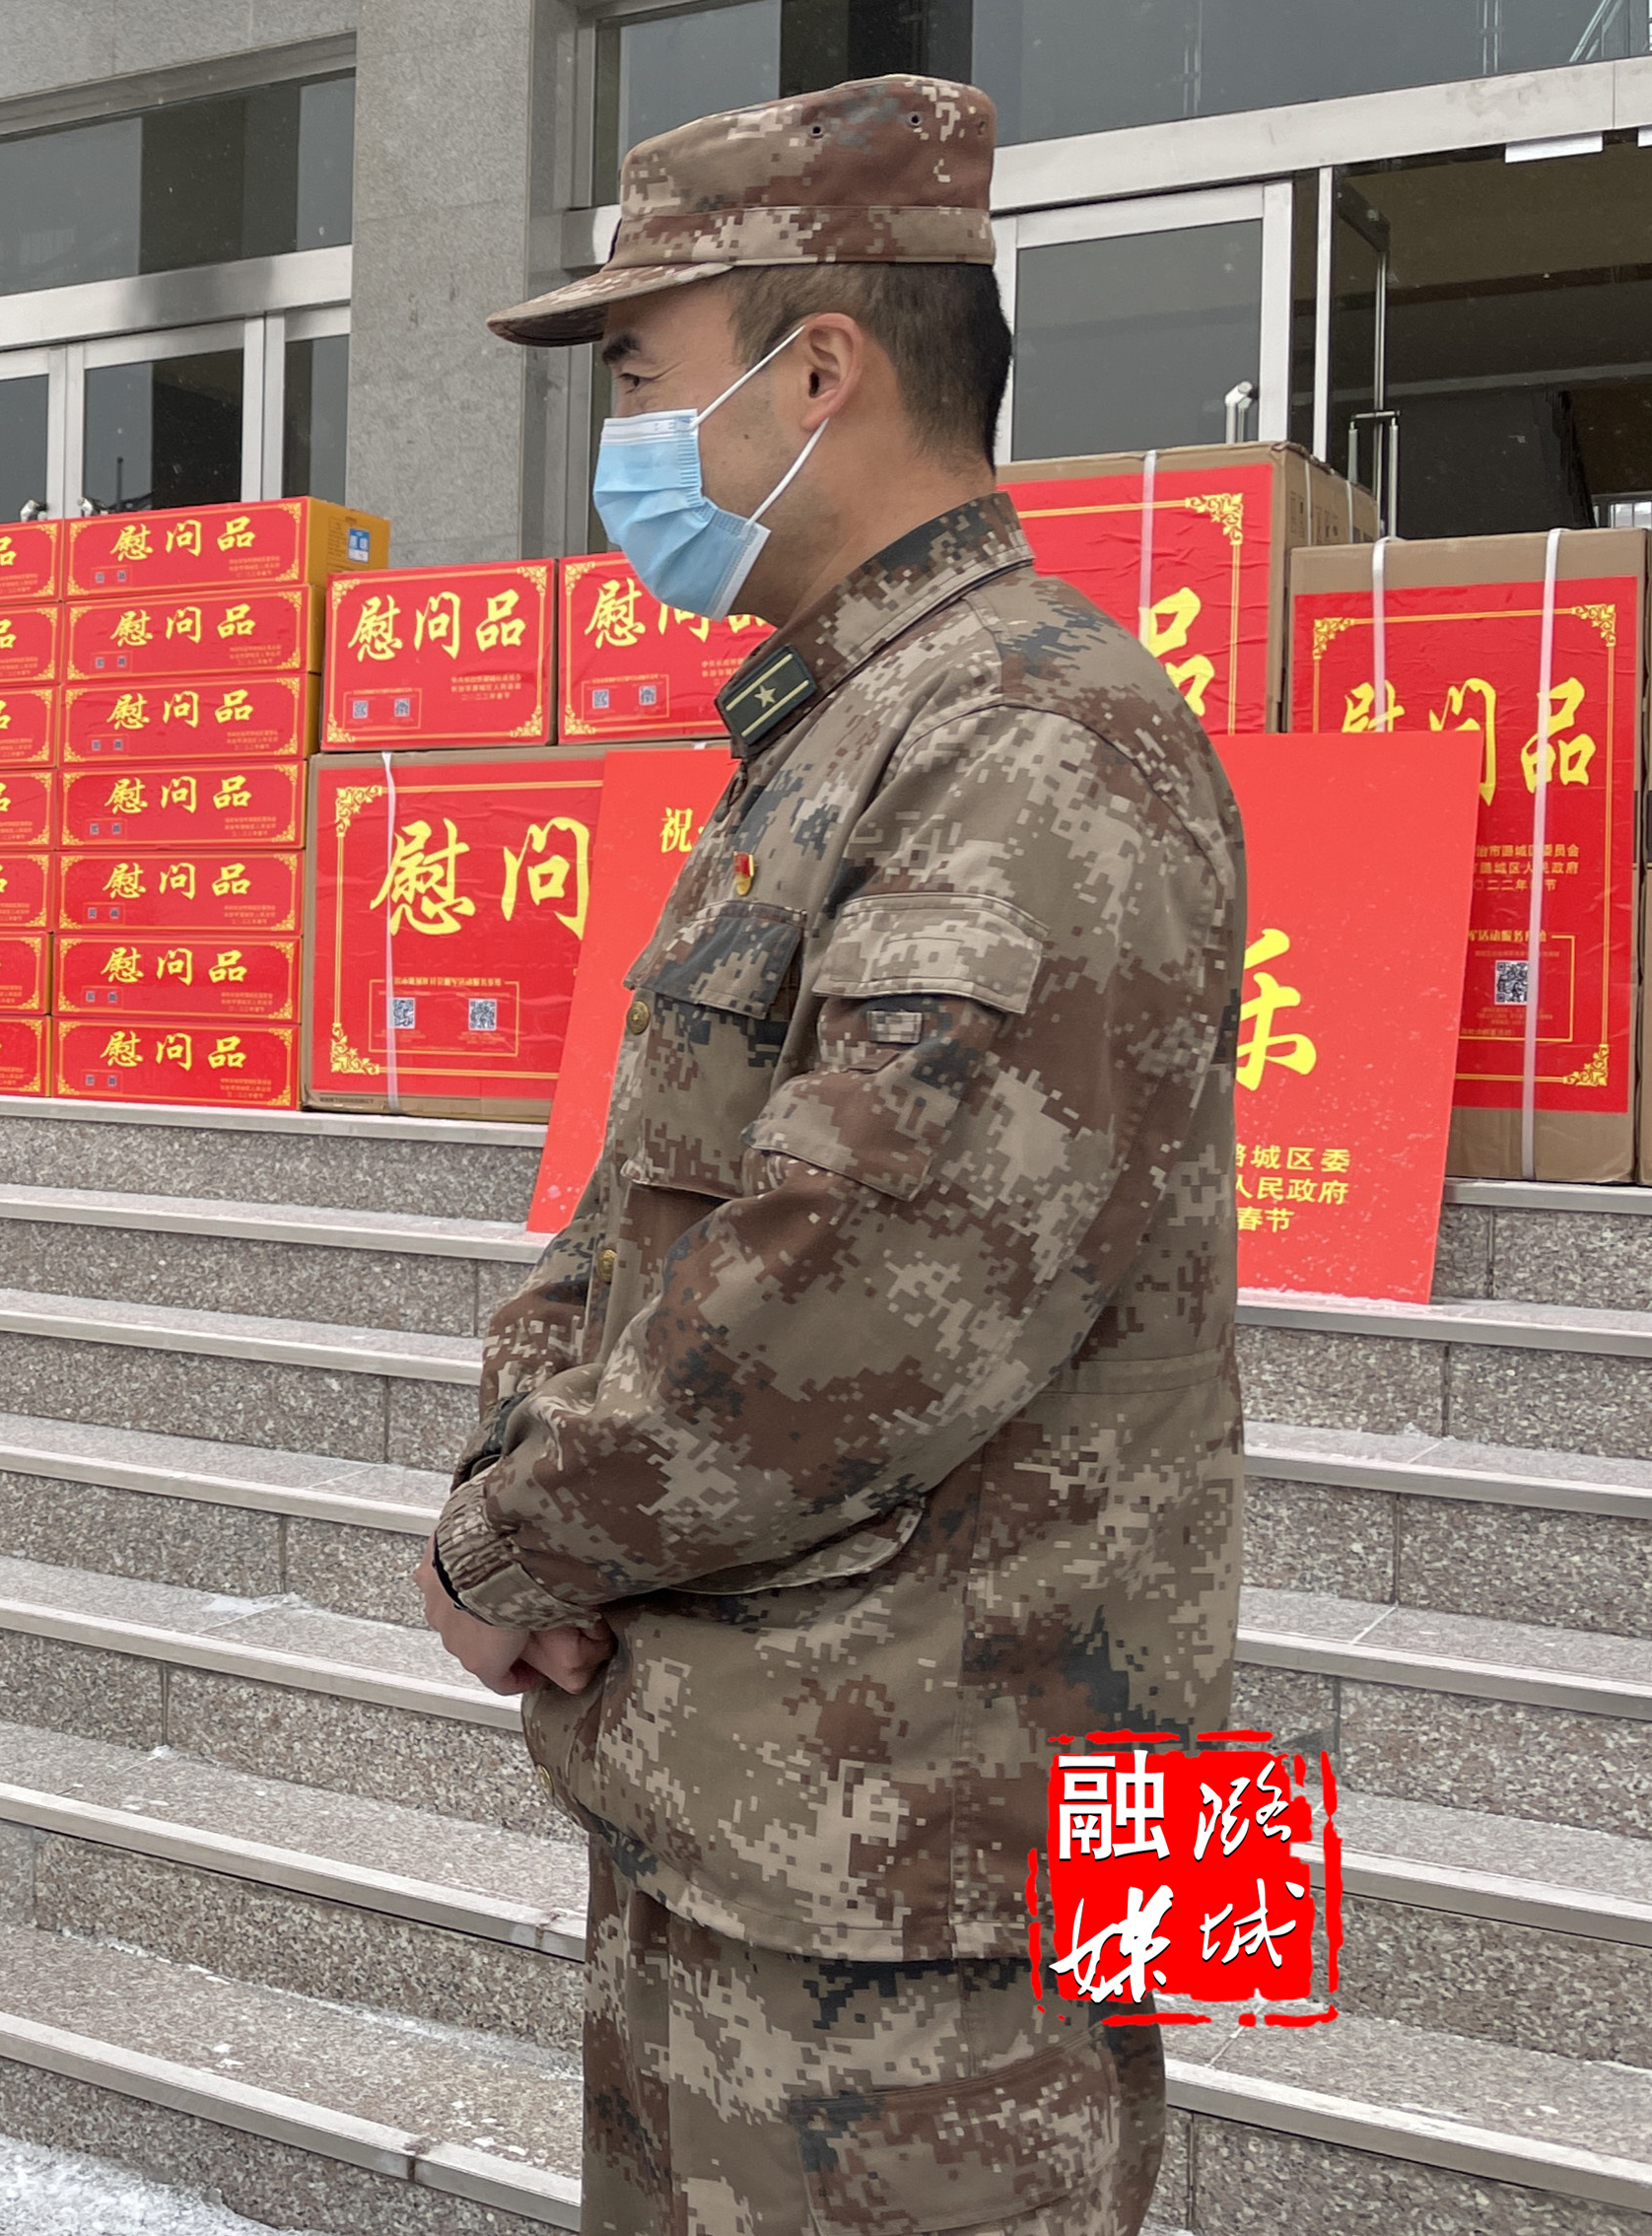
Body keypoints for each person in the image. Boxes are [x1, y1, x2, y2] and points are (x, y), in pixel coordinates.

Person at [421, 79, 1245, 2236]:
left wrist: (514, 1547)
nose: (618, 437)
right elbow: (652, 1203)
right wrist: (516, 1460)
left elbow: (856, 1278)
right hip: (790, 1795)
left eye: (638, 374)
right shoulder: (851, 719)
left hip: (945, 1852)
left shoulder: (1034, 729)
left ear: (817, 372)